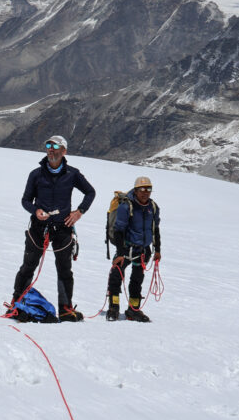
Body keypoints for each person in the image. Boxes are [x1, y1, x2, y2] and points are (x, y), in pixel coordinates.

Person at [10, 135, 96, 322]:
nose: (50, 149)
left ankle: (65, 309)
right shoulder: (36, 174)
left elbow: (91, 192)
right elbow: (25, 200)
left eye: (55, 146)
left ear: (64, 151)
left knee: (64, 269)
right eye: (48, 145)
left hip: (63, 228)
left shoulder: (72, 174)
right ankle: (16, 303)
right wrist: (36, 210)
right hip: (38, 227)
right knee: (29, 265)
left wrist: (79, 212)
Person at [106, 175, 161, 322]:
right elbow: (119, 230)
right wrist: (120, 252)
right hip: (126, 248)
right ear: (135, 190)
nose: (145, 192)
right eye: (142, 189)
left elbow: (155, 229)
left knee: (137, 279)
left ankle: (133, 309)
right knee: (116, 277)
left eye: (148, 189)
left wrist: (157, 250)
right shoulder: (126, 206)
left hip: (142, 250)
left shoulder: (153, 207)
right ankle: (114, 307)